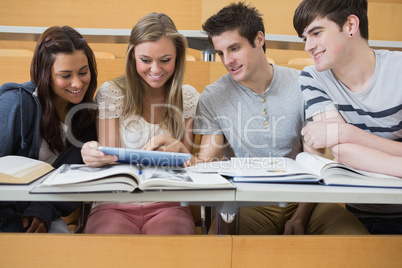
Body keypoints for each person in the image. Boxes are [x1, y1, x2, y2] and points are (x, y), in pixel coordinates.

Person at [192, 2, 368, 235]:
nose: (227, 61)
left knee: (353, 237)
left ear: (259, 39)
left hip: (305, 198)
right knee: (220, 245)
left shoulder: (304, 84)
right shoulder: (213, 96)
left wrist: (299, 217)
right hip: (248, 202)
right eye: (220, 52)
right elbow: (207, 163)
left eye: (234, 48)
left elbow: (313, 160)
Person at [80, 13, 199, 235]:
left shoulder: (188, 97)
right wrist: (92, 153)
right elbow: (110, 164)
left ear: (178, 57)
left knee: (170, 248)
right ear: (132, 57)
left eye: (165, 60)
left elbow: (187, 167)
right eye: (145, 60)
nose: (155, 70)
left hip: (168, 203)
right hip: (114, 203)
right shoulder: (112, 93)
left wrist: (181, 151)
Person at [293, 0, 402, 234]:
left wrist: (347, 132)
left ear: (351, 25)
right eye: (305, 38)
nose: (308, 47)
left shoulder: (399, 70)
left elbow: (342, 139)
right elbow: (343, 151)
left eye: (316, 33)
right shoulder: (313, 77)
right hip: (358, 217)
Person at [0, 26, 98, 233]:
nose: (77, 83)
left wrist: (42, 209)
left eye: (83, 72)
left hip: (43, 212)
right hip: (3, 211)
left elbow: (75, 178)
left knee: (60, 242)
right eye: (65, 75)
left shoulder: (88, 117)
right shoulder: (15, 104)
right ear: (44, 74)